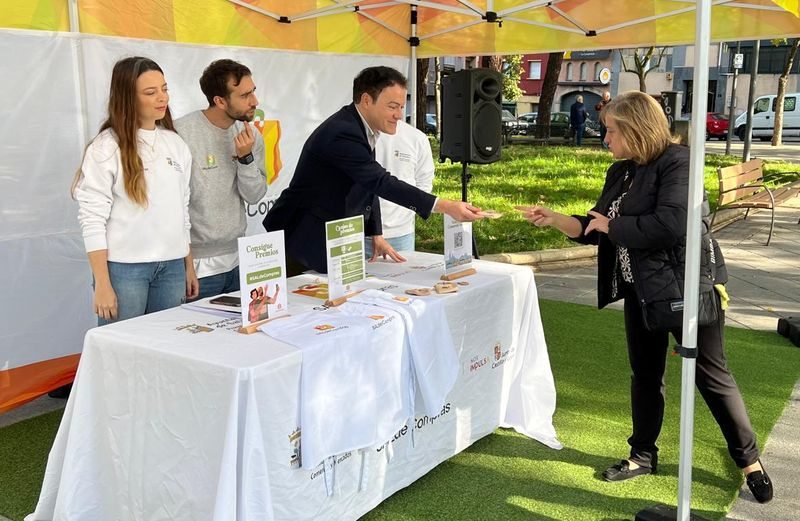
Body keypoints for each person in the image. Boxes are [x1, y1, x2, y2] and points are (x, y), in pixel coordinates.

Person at [517, 91, 773, 503]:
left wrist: (613, 226)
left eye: (611, 131)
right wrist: (557, 220)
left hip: (687, 285)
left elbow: (671, 224)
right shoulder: (622, 171)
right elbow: (595, 224)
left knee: (711, 375)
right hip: (640, 287)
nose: (606, 140)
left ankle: (749, 461)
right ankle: (642, 454)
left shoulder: (679, 162)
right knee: (646, 374)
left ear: (636, 129)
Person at [264, 66, 483, 275]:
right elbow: (380, 181)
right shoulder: (343, 132)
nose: (399, 114)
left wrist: (376, 233)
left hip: (336, 240)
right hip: (305, 242)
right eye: (392, 106)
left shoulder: (361, 127)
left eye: (401, 106)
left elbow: (366, 185)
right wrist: (445, 206)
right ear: (367, 100)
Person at [72, 57, 198, 325]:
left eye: (164, 89)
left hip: (173, 268)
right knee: (123, 354)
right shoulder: (106, 148)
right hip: (124, 271)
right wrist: (103, 283)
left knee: (167, 350)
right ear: (128, 97)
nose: (161, 98)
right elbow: (92, 219)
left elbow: (181, 210)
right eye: (150, 92)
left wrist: (188, 265)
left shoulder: (176, 144)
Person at [174, 59, 267, 300]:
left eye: (253, 92)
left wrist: (245, 158)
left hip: (239, 261)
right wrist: (185, 262)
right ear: (219, 101)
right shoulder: (181, 134)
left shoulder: (251, 135)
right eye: (245, 95)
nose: (254, 102)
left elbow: (255, 195)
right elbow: (172, 204)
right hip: (197, 268)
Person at [365, 118, 435, 259]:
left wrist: (406, 214)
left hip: (402, 233)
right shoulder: (362, 136)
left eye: (400, 106)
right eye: (391, 105)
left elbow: (424, 181)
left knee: (404, 279)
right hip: (361, 233)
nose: (396, 112)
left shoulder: (416, 137)